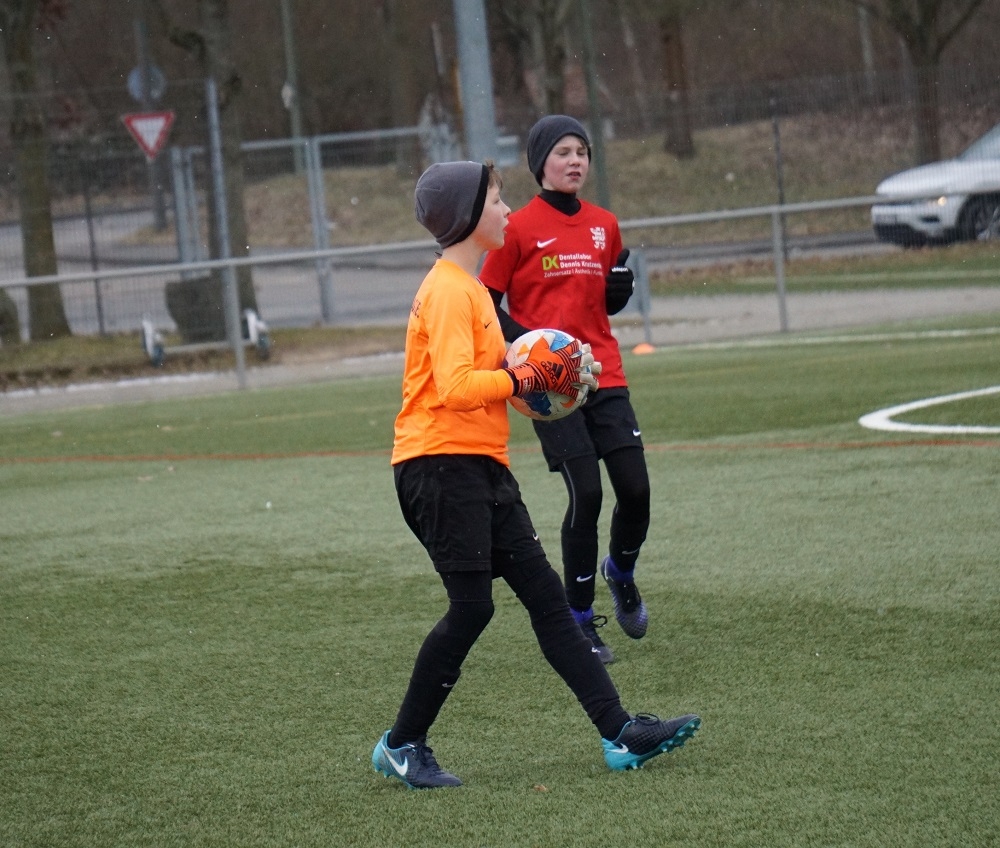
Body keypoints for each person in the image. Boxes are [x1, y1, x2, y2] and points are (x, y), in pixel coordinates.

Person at [371, 160, 700, 789]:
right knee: (472, 608)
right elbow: (457, 387)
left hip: (480, 466)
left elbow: (513, 369)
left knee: (548, 601)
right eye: (497, 201)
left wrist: (566, 370)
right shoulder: (448, 290)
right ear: (469, 215)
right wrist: (525, 378)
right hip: (438, 467)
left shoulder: (473, 292)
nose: (507, 211)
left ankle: (619, 733)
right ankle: (403, 743)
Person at [479, 115, 649, 665]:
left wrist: (618, 292)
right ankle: (579, 619)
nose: (575, 161)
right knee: (588, 494)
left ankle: (620, 570)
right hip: (551, 387)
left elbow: (603, 304)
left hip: (604, 373)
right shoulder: (517, 228)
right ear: (540, 164)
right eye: (563, 152)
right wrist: (531, 348)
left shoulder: (605, 225)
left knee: (636, 491)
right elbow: (485, 303)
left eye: (582, 151)